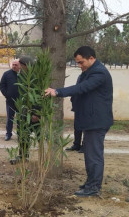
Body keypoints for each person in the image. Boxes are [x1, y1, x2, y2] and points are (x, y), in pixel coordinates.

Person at [45, 46, 113, 197]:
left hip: (97, 121)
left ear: (91, 58)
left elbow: (82, 88)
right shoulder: (87, 72)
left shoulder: (99, 72)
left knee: (93, 156)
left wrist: (57, 92)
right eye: (77, 63)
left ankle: (94, 187)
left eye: (81, 62)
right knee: (89, 154)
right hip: (90, 120)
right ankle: (90, 183)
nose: (79, 65)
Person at [10, 56, 40, 164]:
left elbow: (38, 95)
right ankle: (22, 156)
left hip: (35, 113)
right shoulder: (22, 75)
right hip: (23, 111)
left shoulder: (36, 76)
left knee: (40, 135)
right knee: (22, 134)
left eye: (21, 66)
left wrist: (36, 112)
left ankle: (44, 158)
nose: (20, 68)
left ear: (26, 65)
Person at [0, 59, 21, 141]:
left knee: (20, 119)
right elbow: (2, 86)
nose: (14, 66)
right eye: (13, 64)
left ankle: (20, 134)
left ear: (19, 66)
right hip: (10, 101)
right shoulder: (6, 74)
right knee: (10, 118)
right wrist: (7, 95)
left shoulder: (23, 74)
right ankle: (8, 134)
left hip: (21, 101)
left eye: (16, 65)